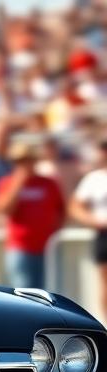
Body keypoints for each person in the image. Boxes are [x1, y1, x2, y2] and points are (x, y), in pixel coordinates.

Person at [0, 140, 65, 289]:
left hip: (47, 248)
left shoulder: (49, 183)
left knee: (49, 293)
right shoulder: (6, 183)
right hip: (20, 248)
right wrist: (18, 184)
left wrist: (53, 231)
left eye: (27, 160)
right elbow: (3, 209)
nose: (24, 165)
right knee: (25, 292)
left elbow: (62, 210)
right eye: (20, 161)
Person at [68, 138, 107, 321]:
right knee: (105, 283)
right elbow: (75, 206)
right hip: (103, 234)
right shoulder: (94, 179)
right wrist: (94, 221)